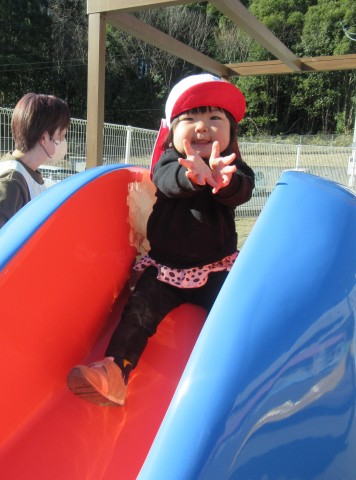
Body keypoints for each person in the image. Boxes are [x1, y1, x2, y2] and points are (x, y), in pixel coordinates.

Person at [66, 73, 255, 407]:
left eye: (215, 118)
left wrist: (225, 181)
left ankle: (244, 374)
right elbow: (166, 180)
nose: (203, 127)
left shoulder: (232, 166)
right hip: (167, 270)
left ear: (231, 132)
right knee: (139, 311)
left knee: (235, 311)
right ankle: (115, 371)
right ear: (172, 131)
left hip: (216, 267)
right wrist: (192, 176)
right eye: (190, 119)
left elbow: (244, 189)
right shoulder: (169, 162)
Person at [0, 93, 71, 256]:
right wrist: (16, 264)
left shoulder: (26, 172)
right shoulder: (11, 180)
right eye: (61, 136)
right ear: (44, 138)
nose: (63, 142)